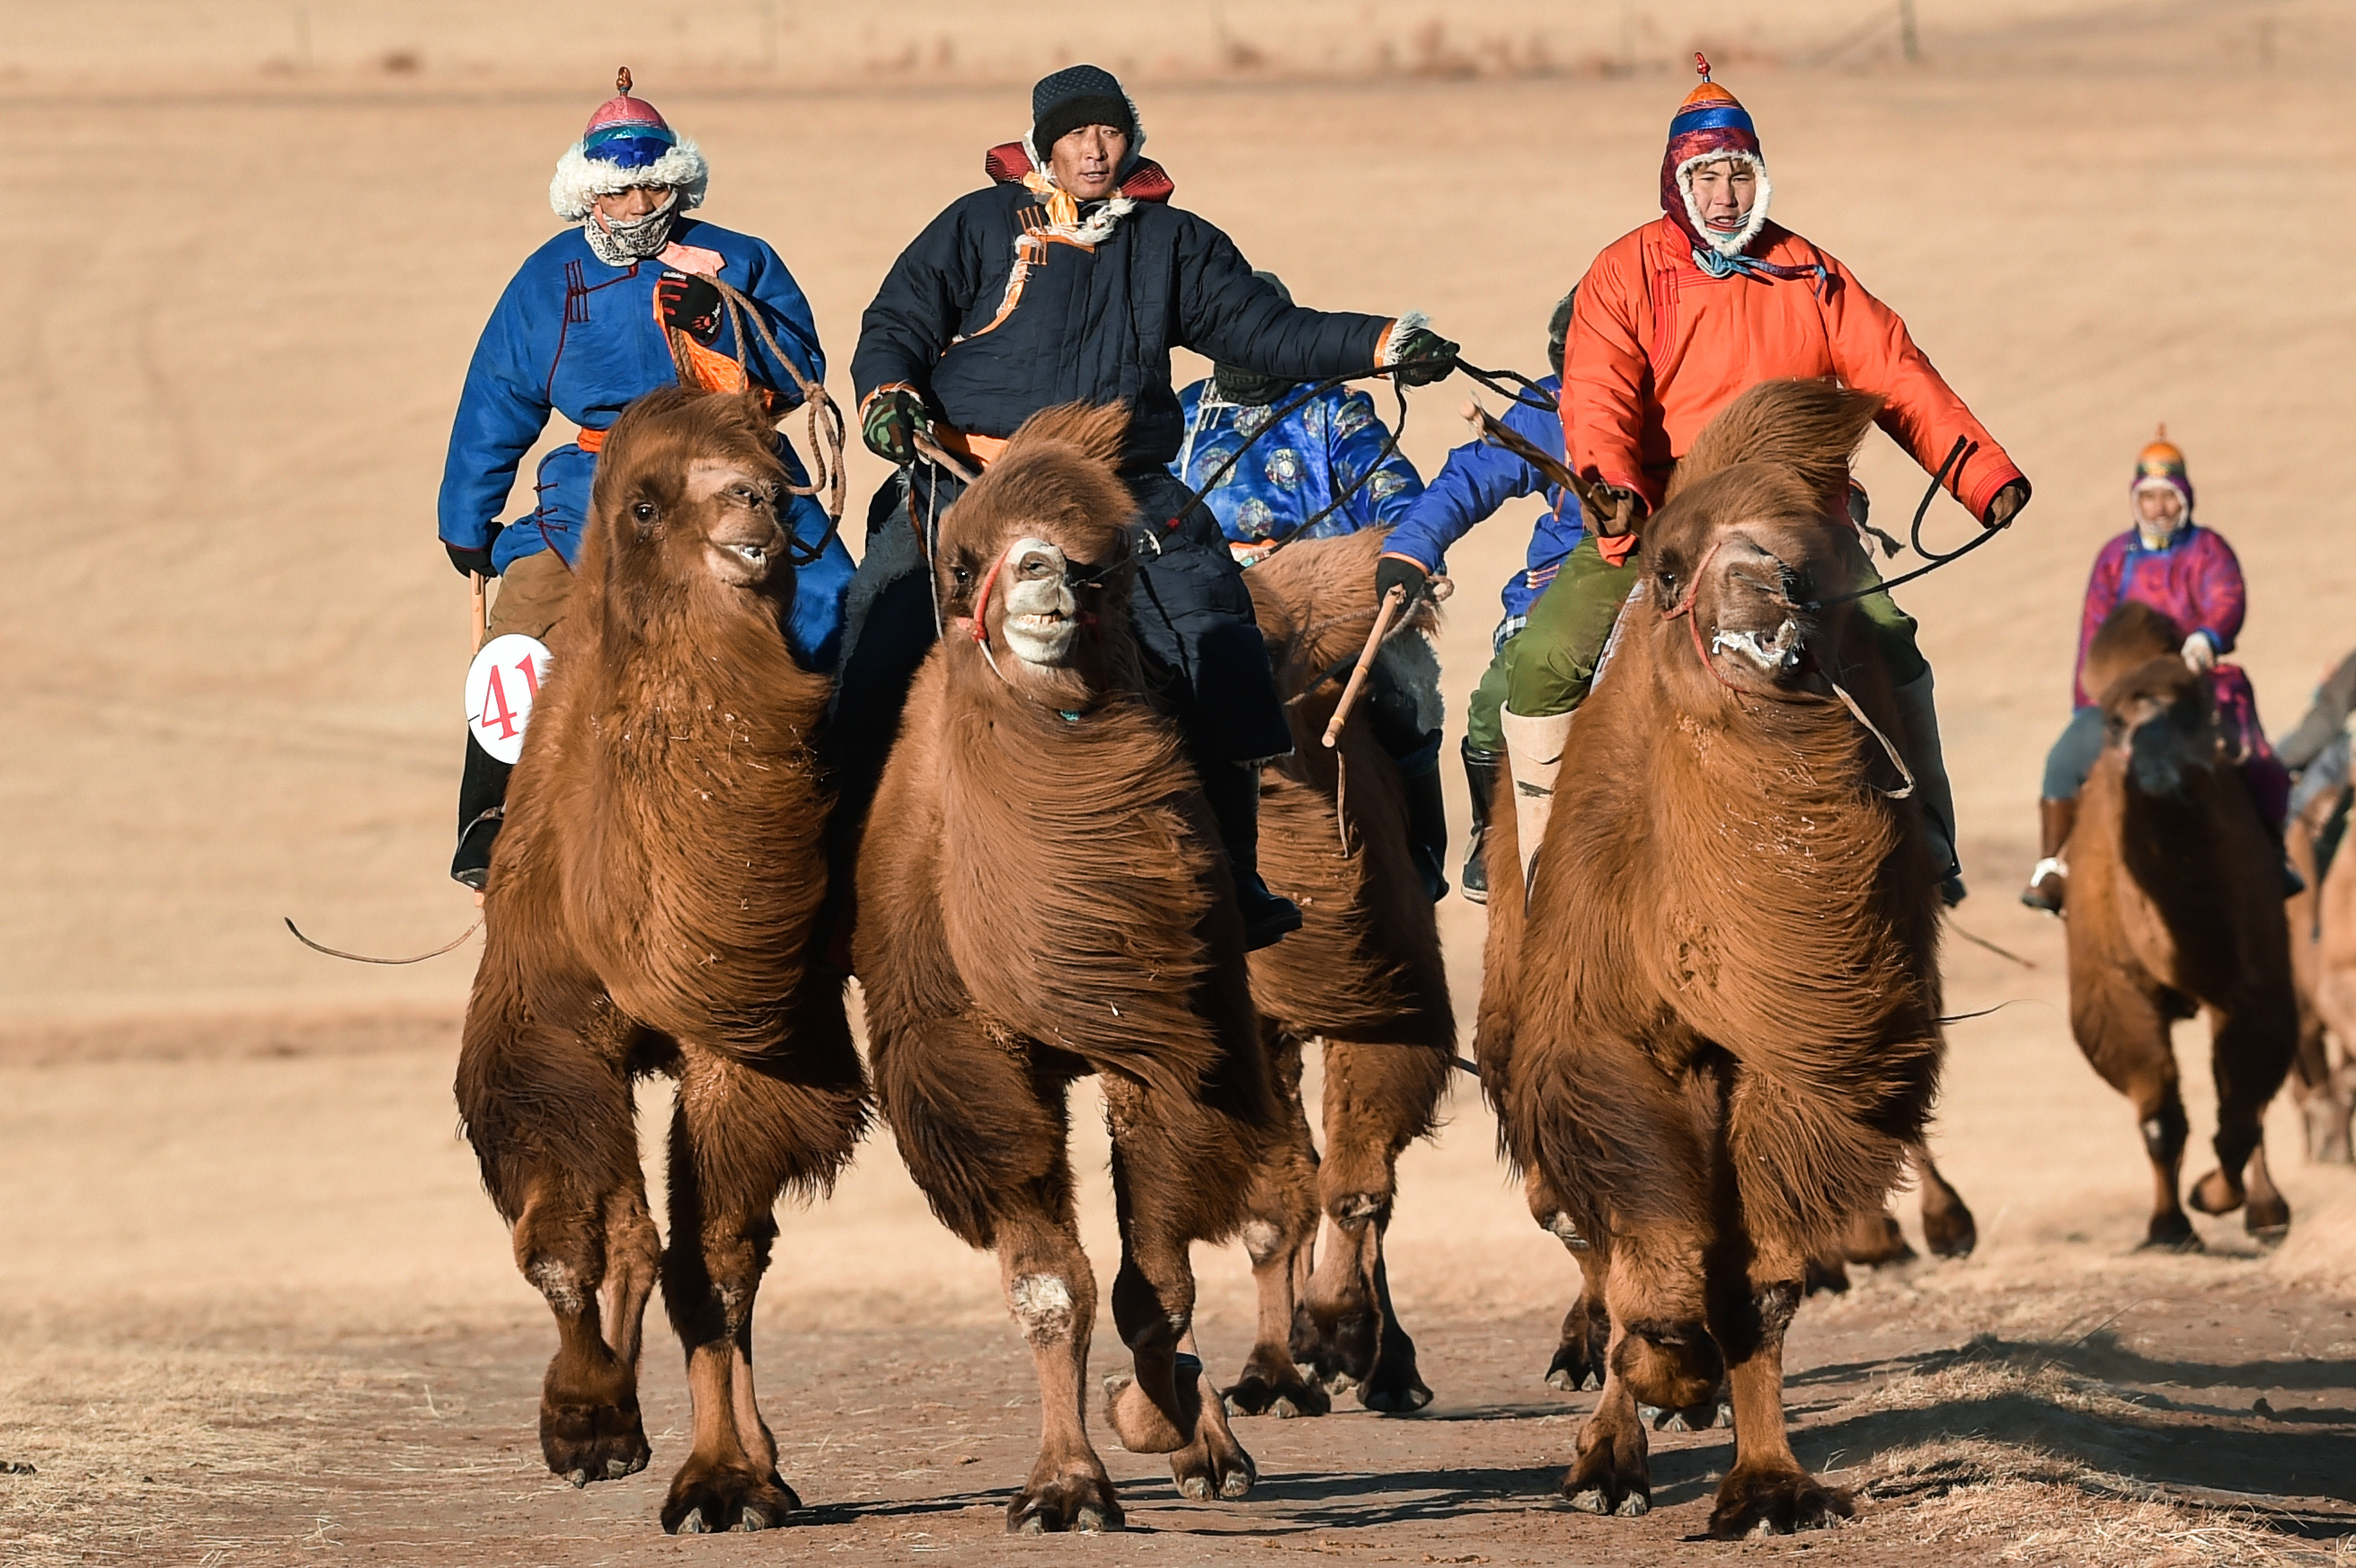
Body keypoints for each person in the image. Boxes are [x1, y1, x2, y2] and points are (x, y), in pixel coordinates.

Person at [849, 64, 1457, 947]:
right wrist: (885, 396)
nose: (1095, 148)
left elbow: (1262, 329)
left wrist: (1380, 343)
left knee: (1215, 630)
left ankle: (1233, 871)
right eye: (1077, 133)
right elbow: (897, 321)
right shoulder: (978, 225)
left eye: (1110, 132)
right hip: (970, 469)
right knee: (877, 624)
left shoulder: (1173, 240)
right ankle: (837, 872)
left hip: (1115, 476)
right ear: (1043, 145)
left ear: (1130, 139)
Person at [1494, 58, 2032, 902]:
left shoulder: (1811, 273)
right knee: (1547, 660)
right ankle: (1544, 872)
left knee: (1890, 641)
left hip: (1795, 518)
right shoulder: (1624, 273)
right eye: (1705, 177)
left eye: (1739, 175)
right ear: (1677, 184)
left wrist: (1977, 470)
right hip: (1663, 517)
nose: (1724, 197)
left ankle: (1928, 834)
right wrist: (1613, 490)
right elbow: (1597, 393)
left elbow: (1894, 371)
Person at [437, 71, 852, 890]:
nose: (635, 207)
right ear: (586, 195)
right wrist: (466, 519)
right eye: (618, 193)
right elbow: (497, 396)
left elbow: (800, 370)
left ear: (677, 184)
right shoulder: (546, 280)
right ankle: (490, 818)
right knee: (522, 626)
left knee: (836, 599)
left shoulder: (739, 257)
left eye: (652, 188)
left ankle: (851, 785)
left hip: (731, 461)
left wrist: (716, 317)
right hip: (599, 480)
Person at [1166, 270, 1444, 897]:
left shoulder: (1331, 410)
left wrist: (1405, 547)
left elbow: (1392, 489)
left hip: (1324, 603)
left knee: (1406, 692)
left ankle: (1420, 845)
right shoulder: (1180, 414)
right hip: (1207, 609)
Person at [1374, 292, 1583, 902]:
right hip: (1569, 576)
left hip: (1686, 564)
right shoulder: (1550, 407)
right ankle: (1493, 828)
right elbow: (1469, 476)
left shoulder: (1688, 391)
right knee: (1501, 694)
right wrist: (1412, 548)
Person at [2021, 431, 2285, 912]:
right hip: (2122, 693)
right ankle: (2052, 864)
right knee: (2063, 760)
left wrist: (2207, 636)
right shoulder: (2114, 558)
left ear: (2185, 498)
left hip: (2193, 681)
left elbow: (2227, 596)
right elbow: (2093, 632)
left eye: (2168, 496)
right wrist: (2090, 701)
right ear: (2135, 499)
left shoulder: (2207, 549)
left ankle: (2272, 852)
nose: (2159, 507)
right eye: (2149, 496)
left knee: (2254, 758)